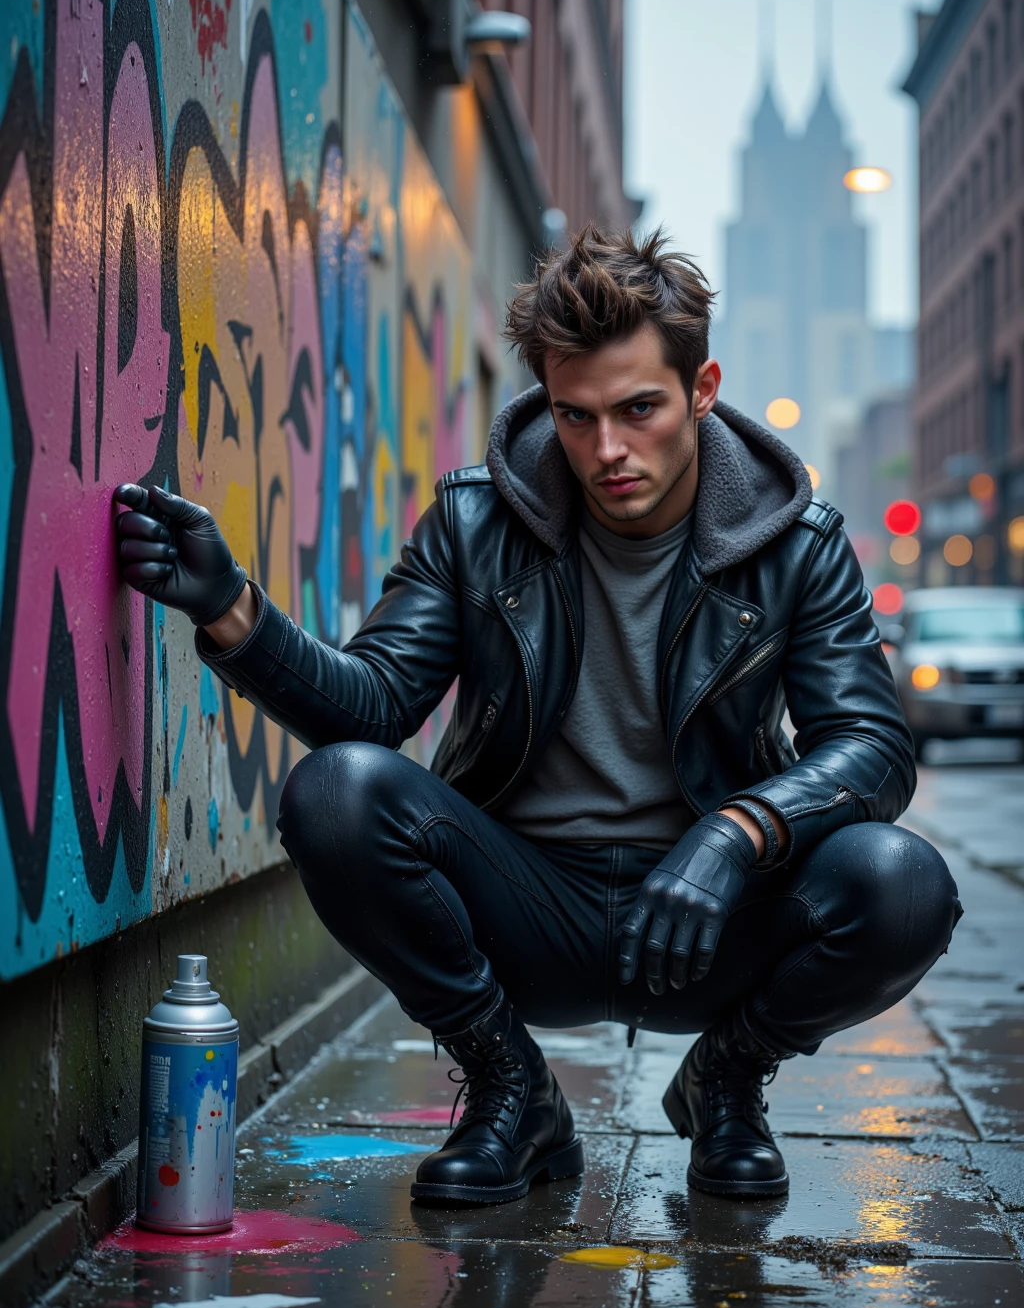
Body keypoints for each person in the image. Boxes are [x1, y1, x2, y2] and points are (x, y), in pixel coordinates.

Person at [115, 226, 961, 1207]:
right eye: (575, 416)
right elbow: (376, 706)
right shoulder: (479, 520)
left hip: (707, 913)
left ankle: (727, 1081)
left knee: (903, 884)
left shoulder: (796, 541)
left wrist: (735, 835)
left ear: (701, 387)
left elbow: (872, 748)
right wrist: (232, 610)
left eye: (638, 409)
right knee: (338, 793)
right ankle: (511, 1090)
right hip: (529, 907)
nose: (607, 451)